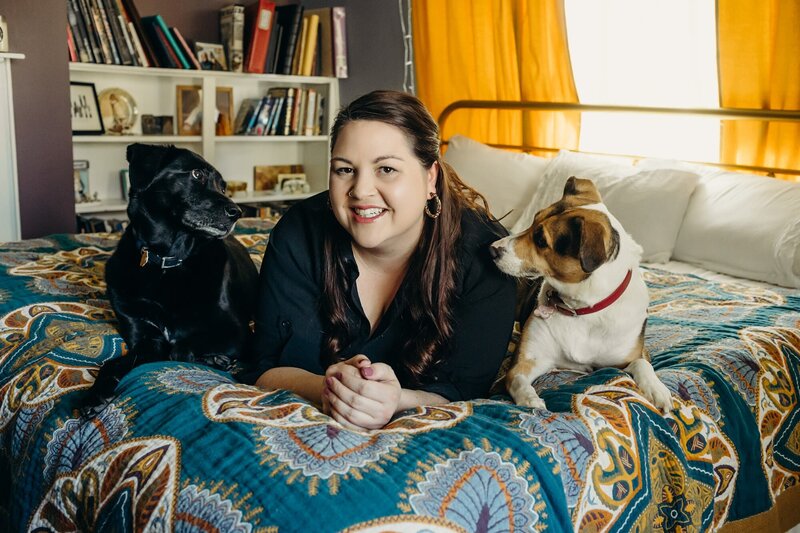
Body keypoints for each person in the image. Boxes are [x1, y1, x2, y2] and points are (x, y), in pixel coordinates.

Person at [248, 90, 516, 431]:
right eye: (345, 169)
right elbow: (265, 368)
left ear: (430, 177)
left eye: (386, 169)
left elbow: (465, 390)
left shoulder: (486, 256)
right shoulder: (298, 234)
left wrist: (397, 400)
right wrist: (331, 388)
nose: (361, 190)